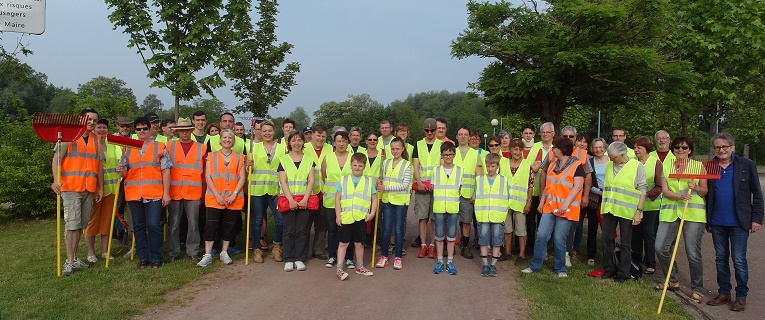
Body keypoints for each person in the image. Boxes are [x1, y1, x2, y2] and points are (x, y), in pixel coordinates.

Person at [705, 132, 763, 312]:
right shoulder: (710, 166)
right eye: (718, 147)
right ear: (714, 149)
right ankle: (724, 293)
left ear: (732, 148)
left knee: (738, 259)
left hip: (739, 221)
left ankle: (741, 296)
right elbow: (705, 192)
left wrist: (757, 219)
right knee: (720, 258)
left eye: (725, 147)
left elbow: (757, 194)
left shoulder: (746, 165)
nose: (721, 150)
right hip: (717, 221)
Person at [654, 137, 708, 303]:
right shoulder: (667, 166)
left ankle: (697, 288)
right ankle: (672, 280)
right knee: (660, 247)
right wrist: (679, 196)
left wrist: (696, 187)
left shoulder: (698, 166)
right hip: (671, 212)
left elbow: (704, 191)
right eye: (677, 147)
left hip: (693, 214)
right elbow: (665, 190)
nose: (680, 150)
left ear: (690, 150)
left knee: (692, 252)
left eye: (684, 147)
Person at [522, 137, 584, 278]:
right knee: (541, 235)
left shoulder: (576, 166)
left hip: (565, 209)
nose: (552, 149)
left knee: (559, 238)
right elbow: (548, 187)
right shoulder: (552, 165)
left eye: (554, 147)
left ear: (561, 150)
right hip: (550, 207)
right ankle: (535, 266)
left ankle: (560, 268)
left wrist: (565, 204)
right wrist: (542, 202)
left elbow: (578, 187)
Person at [52, 108, 103, 275]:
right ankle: (69, 261)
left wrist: (100, 187)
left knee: (81, 225)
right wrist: (55, 181)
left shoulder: (97, 139)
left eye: (95, 120)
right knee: (72, 225)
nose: (92, 122)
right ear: (81, 120)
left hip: (89, 188)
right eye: (88, 119)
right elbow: (56, 159)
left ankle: (73, 258)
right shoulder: (68, 136)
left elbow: (99, 165)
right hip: (71, 187)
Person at [117, 116, 171, 269]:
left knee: (154, 225)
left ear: (149, 130)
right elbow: (125, 173)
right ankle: (143, 258)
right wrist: (120, 171)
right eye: (138, 129)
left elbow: (166, 171)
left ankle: (156, 257)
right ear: (135, 131)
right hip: (134, 194)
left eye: (144, 128)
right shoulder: (128, 147)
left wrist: (166, 193)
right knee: (139, 227)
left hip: (154, 193)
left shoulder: (160, 147)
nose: (141, 131)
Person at [196, 129, 246, 267]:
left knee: (228, 226)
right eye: (224, 137)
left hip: (233, 198)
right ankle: (207, 254)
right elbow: (208, 177)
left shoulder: (240, 157)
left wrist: (234, 194)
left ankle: (224, 252)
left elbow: (242, 177)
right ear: (220, 139)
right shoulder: (211, 156)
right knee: (211, 225)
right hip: (214, 197)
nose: (227, 140)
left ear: (233, 141)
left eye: (230, 137)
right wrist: (217, 195)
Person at [600, 142, 647, 283]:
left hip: (627, 211)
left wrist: (638, 211)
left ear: (622, 154)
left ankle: (624, 273)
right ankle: (609, 268)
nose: (610, 159)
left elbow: (642, 190)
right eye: (609, 156)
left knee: (626, 243)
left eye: (613, 157)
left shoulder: (637, 166)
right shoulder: (609, 165)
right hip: (609, 209)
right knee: (606, 239)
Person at [166, 118, 206, 262]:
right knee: (174, 223)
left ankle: (193, 251)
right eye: (181, 130)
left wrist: (203, 192)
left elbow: (205, 173)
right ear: (177, 132)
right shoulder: (169, 146)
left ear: (191, 130)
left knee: (193, 223)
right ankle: (173, 251)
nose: (184, 132)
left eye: (187, 130)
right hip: (174, 191)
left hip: (194, 191)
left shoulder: (202, 148)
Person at [334, 153, 377, 280]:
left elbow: (374, 199)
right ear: (351, 165)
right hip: (346, 217)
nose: (357, 168)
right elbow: (337, 199)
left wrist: (372, 213)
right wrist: (337, 215)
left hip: (361, 217)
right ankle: (339, 269)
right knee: (343, 243)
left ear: (364, 167)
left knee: (359, 244)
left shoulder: (369, 181)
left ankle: (360, 266)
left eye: (360, 165)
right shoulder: (343, 179)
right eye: (355, 165)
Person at [248, 120, 287, 263]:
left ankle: (277, 247)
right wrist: (248, 165)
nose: (267, 133)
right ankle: (256, 249)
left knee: (280, 220)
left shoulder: (282, 148)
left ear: (274, 131)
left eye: (269, 130)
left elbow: (284, 168)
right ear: (259, 132)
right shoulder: (253, 147)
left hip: (275, 190)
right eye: (264, 130)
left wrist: (282, 189)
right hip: (257, 189)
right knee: (257, 220)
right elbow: (248, 169)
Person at [277, 130, 315, 272]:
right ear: (289, 143)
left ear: (303, 142)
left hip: (304, 200)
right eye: (294, 140)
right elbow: (283, 181)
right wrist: (291, 200)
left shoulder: (309, 159)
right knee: (288, 230)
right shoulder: (283, 160)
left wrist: (305, 198)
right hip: (289, 200)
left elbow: (311, 181)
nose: (297, 143)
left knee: (301, 231)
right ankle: (288, 258)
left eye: (299, 140)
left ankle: (299, 258)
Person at [375, 137, 412, 270]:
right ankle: (384, 256)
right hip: (387, 200)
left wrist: (386, 188)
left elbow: (404, 185)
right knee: (386, 229)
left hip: (400, 201)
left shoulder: (407, 165)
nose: (395, 151)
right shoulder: (385, 163)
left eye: (397, 148)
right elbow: (383, 179)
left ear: (403, 149)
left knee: (398, 229)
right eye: (393, 149)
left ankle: (397, 257)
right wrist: (379, 183)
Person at [474, 153, 511, 277]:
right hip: (483, 215)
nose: (490, 169)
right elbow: (475, 195)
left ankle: (493, 265)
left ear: (498, 166)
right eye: (488, 166)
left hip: (497, 216)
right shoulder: (479, 180)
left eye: (493, 166)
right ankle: (485, 265)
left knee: (497, 241)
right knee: (483, 240)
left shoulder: (503, 180)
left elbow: (508, 196)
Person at [632, 137, 663, 275]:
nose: (636, 150)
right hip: (635, 205)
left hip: (651, 205)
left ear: (647, 149)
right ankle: (636, 261)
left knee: (649, 233)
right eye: (635, 147)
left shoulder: (656, 163)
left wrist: (645, 196)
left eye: (639, 147)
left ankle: (651, 263)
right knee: (636, 234)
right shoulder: (632, 163)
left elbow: (659, 186)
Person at [322, 131, 353, 269]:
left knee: (348, 229)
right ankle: (332, 256)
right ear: (334, 142)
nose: (341, 144)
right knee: (332, 229)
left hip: (348, 202)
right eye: (338, 141)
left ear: (348, 143)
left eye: (344, 141)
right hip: (330, 201)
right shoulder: (327, 158)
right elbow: (324, 177)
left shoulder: (353, 158)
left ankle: (349, 257)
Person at [412, 118, 443, 258]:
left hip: (436, 187)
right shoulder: (418, 144)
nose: (430, 132)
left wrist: (436, 183)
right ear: (423, 130)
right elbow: (416, 166)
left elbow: (442, 166)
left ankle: (432, 245)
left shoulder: (441, 145)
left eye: (432, 130)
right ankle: (423, 244)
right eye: (427, 130)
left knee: (434, 218)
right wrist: (419, 182)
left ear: (436, 130)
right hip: (422, 186)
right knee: (422, 217)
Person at [84, 117, 112, 263]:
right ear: (94, 130)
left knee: (107, 220)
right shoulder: (91, 143)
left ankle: (105, 251)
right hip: (94, 188)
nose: (102, 129)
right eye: (99, 127)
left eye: (104, 127)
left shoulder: (113, 144)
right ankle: (90, 252)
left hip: (111, 189)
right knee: (92, 220)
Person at [431, 142, 463, 275]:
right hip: (439, 207)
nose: (448, 156)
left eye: (450, 154)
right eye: (445, 154)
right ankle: (440, 261)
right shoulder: (436, 170)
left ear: (454, 154)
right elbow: (433, 187)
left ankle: (449, 261)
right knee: (438, 236)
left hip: (453, 208)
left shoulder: (460, 170)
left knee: (451, 236)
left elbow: (460, 188)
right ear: (441, 156)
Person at [304, 124, 332, 261]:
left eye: (323, 136)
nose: (321, 138)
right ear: (312, 135)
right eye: (318, 135)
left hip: (325, 192)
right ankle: (303, 251)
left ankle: (318, 249)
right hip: (309, 193)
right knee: (306, 224)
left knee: (322, 225)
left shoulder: (330, 149)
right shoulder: (304, 148)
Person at [503, 139, 533, 265]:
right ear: (510, 149)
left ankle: (521, 254)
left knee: (521, 229)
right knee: (507, 228)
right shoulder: (503, 163)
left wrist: (529, 202)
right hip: (505, 202)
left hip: (520, 203)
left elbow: (530, 185)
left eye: (520, 149)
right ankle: (507, 252)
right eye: (515, 149)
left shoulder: (527, 164)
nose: (518, 152)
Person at [578, 138, 608, 266]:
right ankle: (591, 255)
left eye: (600, 147)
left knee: (608, 228)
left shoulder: (611, 161)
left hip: (609, 197)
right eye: (595, 147)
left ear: (605, 148)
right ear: (592, 149)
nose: (598, 150)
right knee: (592, 226)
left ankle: (608, 255)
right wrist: (598, 191)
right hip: (595, 197)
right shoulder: (589, 161)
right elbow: (586, 181)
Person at [454, 127, 482, 260]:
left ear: (469, 137)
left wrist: (476, 193)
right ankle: (451, 245)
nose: (463, 137)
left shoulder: (475, 154)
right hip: (453, 194)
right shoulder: (451, 152)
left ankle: (465, 246)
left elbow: (479, 176)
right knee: (451, 221)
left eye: (466, 134)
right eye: (461, 134)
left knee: (466, 221)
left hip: (468, 193)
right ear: (456, 136)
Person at [526, 122, 554, 253]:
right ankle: (530, 246)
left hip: (551, 192)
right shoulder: (535, 147)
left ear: (553, 134)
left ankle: (546, 248)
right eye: (543, 132)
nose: (545, 134)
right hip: (534, 191)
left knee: (546, 222)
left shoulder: (557, 147)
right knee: (531, 221)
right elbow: (528, 165)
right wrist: (534, 167)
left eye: (548, 132)